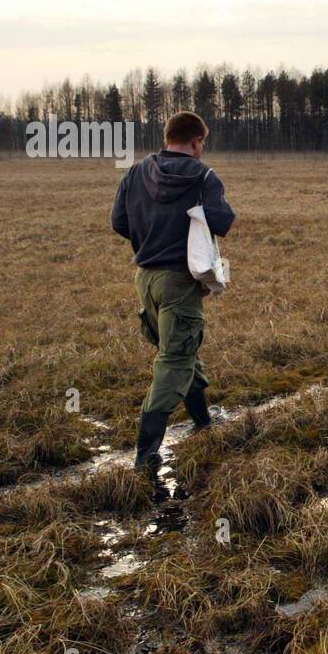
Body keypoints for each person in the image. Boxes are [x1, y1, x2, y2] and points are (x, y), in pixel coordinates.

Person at [111, 111, 236, 477]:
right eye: (202, 145)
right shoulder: (203, 176)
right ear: (196, 141)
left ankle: (203, 422)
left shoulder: (135, 173)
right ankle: (145, 456)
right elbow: (223, 221)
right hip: (179, 282)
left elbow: (118, 222)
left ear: (168, 138)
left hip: (145, 279)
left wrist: (150, 239)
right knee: (174, 361)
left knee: (180, 350)